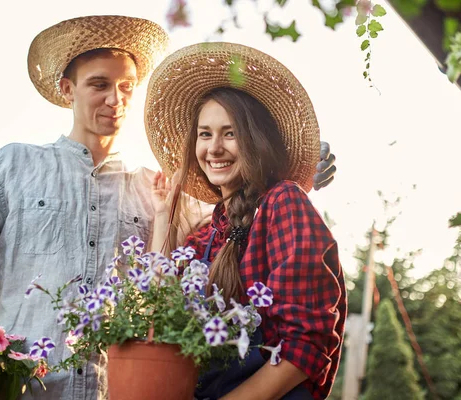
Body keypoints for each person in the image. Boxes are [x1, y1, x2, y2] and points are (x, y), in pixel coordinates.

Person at [0, 16, 336, 399]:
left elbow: (243, 242)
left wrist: (288, 172)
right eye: (99, 84)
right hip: (18, 392)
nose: (115, 99)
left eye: (127, 86)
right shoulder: (14, 166)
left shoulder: (161, 192)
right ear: (67, 89)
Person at [146, 42, 346, 400]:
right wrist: (163, 219)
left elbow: (305, 347)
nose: (214, 148)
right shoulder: (206, 235)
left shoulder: (282, 203)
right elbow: (157, 320)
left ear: (254, 140)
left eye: (230, 132)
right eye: (205, 134)